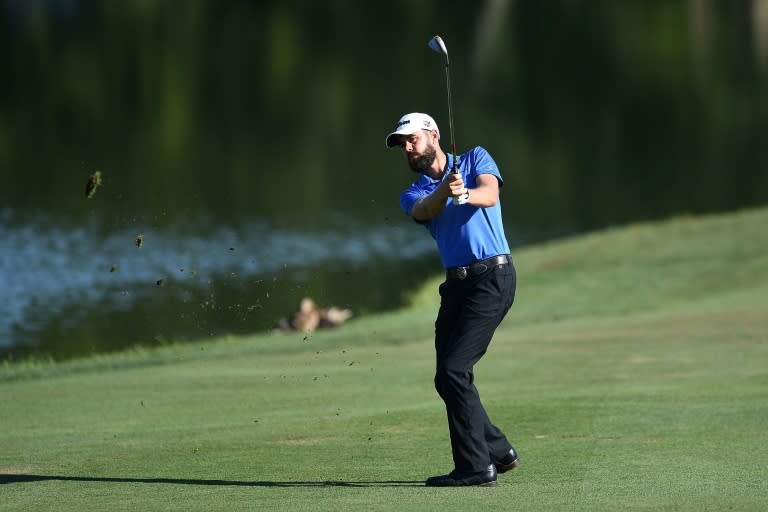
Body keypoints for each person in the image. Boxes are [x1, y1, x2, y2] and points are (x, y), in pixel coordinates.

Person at [385, 112, 519, 487]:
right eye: (402, 145)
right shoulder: (413, 193)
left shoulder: (475, 158)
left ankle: (476, 468)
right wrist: (445, 192)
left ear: (433, 135)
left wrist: (464, 192)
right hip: (456, 288)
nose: (408, 149)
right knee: (448, 377)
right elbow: (424, 210)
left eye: (412, 139)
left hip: (492, 277)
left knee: (453, 370)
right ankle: (499, 451)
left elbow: (490, 195)